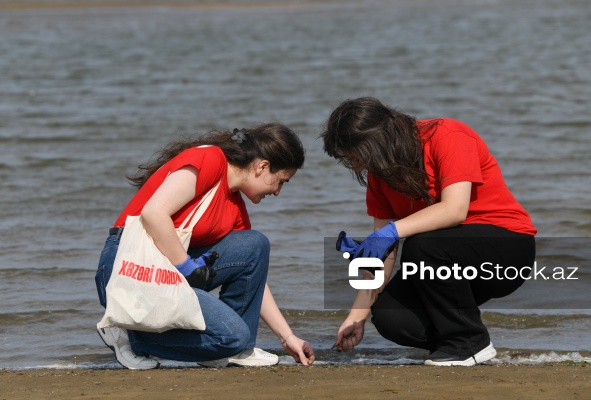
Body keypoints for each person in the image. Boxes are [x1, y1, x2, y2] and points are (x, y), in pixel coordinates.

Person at [321, 97, 536, 366]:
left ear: (376, 142)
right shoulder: (379, 177)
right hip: (445, 261)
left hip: (507, 249)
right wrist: (356, 316)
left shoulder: (448, 135)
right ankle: (461, 343)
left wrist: (390, 232)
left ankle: (469, 343)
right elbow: (383, 256)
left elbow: (454, 209)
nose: (358, 166)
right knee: (390, 316)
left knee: (423, 245)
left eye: (356, 157)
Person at [95, 123, 315, 370]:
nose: (277, 192)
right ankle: (127, 335)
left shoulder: (235, 206)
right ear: (262, 166)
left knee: (255, 245)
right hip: (126, 268)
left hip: (168, 269)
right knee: (231, 337)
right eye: (281, 181)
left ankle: (239, 350)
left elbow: (255, 278)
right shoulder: (209, 158)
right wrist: (187, 267)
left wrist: (287, 337)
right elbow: (153, 213)